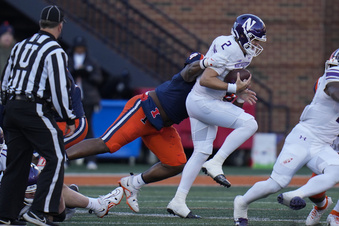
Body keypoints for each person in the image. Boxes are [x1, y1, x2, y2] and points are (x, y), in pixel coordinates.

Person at [65, 51, 255, 214]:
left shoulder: (217, 86)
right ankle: (59, 157)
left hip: (163, 126)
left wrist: (238, 96)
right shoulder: (202, 67)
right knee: (108, 143)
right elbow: (188, 72)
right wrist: (205, 64)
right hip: (146, 109)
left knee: (177, 163)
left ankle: (133, 183)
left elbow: (219, 110)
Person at [167, 14, 266, 218]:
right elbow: (206, 79)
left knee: (201, 152)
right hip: (203, 101)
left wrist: (237, 93)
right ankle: (216, 162)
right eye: (254, 39)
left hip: (204, 102)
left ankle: (178, 201)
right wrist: (233, 87)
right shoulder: (227, 46)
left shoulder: (243, 51)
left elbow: (224, 83)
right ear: (243, 34)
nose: (256, 44)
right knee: (250, 124)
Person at [233, 48, 339, 226]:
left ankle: (298, 194)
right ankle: (241, 202)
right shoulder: (329, 80)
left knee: (336, 171)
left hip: (322, 145)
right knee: (275, 184)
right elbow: (335, 91)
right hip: (303, 138)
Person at [0, 5, 76, 225]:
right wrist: (68, 117)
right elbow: (59, 88)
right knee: (57, 156)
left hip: (12, 108)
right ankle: (40, 211)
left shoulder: (20, 45)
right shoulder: (55, 50)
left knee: (17, 161)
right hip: (33, 108)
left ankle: (6, 215)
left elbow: (5, 80)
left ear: (41, 23)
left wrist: (8, 108)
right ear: (60, 26)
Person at [304, 49, 339, 226]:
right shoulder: (324, 82)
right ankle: (321, 205)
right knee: (314, 191)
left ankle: (336, 214)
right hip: (331, 137)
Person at [68, 36, 103, 170]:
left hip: (88, 99)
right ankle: (67, 158)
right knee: (69, 129)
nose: (79, 50)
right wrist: (75, 72)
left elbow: (98, 79)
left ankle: (91, 160)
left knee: (88, 129)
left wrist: (86, 73)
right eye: (77, 48)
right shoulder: (68, 59)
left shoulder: (91, 61)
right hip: (71, 99)